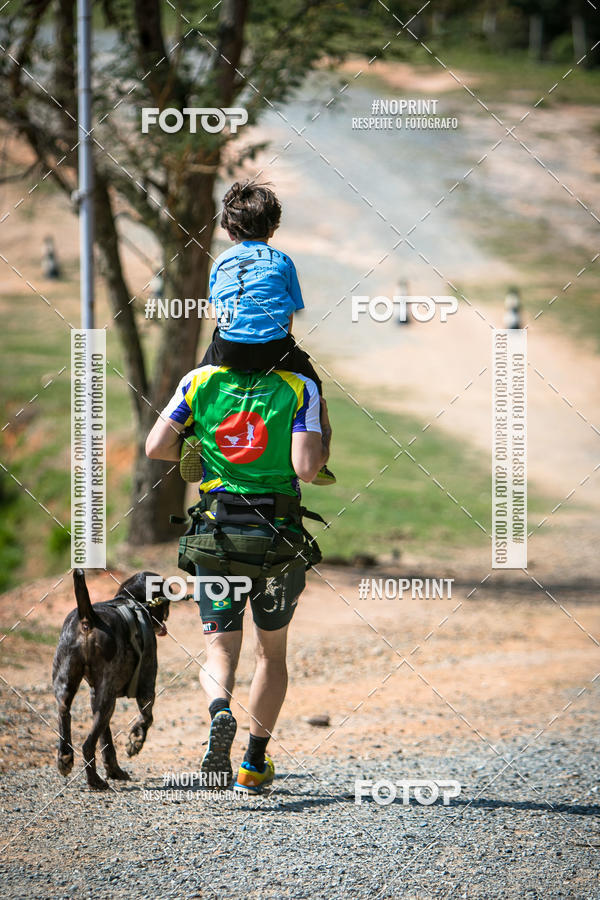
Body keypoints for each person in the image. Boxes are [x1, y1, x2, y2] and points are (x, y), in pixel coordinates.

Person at [145, 363, 331, 793]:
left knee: (220, 650)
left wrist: (203, 447)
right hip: (277, 543)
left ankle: (218, 712)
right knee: (270, 655)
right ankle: (252, 763)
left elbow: (156, 446)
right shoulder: (299, 386)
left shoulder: (200, 380)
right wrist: (324, 439)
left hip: (217, 539)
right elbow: (306, 468)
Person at [195, 180, 335, 487]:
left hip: (228, 346)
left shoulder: (221, 262)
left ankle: (189, 436)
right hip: (275, 348)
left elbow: (221, 312)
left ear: (229, 231)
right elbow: (288, 316)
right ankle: (318, 451)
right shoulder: (284, 262)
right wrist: (281, 348)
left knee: (198, 377)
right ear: (273, 228)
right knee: (313, 383)